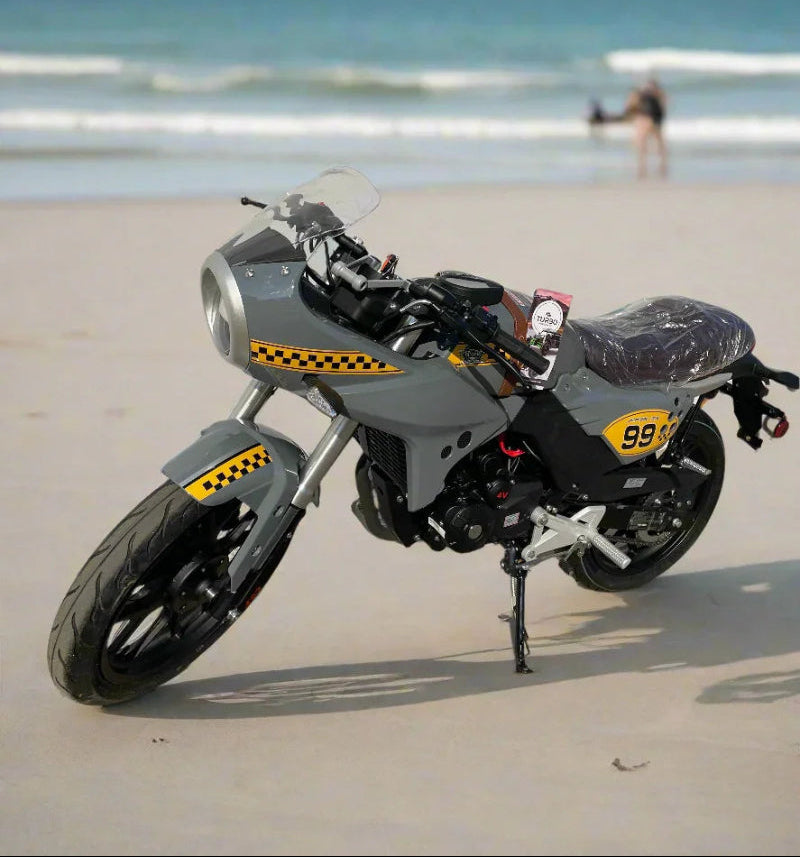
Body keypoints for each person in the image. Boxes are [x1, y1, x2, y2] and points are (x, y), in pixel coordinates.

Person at [624, 77, 668, 179]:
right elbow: (664, 106)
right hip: (654, 118)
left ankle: (643, 164)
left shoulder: (641, 94)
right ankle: (662, 164)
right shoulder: (657, 94)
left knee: (642, 141)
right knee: (657, 141)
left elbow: (630, 106)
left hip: (646, 118)